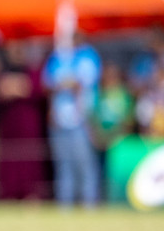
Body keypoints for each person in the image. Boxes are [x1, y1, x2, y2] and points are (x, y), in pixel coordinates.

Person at [43, 32, 101, 207]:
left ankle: (89, 205)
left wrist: (66, 84)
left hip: (81, 120)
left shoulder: (88, 56)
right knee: (63, 166)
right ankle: (65, 206)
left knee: (85, 165)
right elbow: (48, 85)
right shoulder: (58, 56)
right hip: (59, 121)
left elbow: (83, 84)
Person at [0, 40, 49, 200]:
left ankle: (31, 195)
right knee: (10, 162)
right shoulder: (3, 70)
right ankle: (9, 195)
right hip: (9, 127)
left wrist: (15, 87)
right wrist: (19, 86)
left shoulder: (35, 70)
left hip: (30, 126)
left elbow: (35, 89)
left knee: (30, 162)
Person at [92, 60, 133, 198]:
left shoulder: (123, 94)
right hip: (101, 142)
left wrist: (119, 138)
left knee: (116, 175)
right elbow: (93, 117)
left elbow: (128, 119)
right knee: (100, 173)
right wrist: (97, 136)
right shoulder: (100, 94)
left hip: (118, 143)